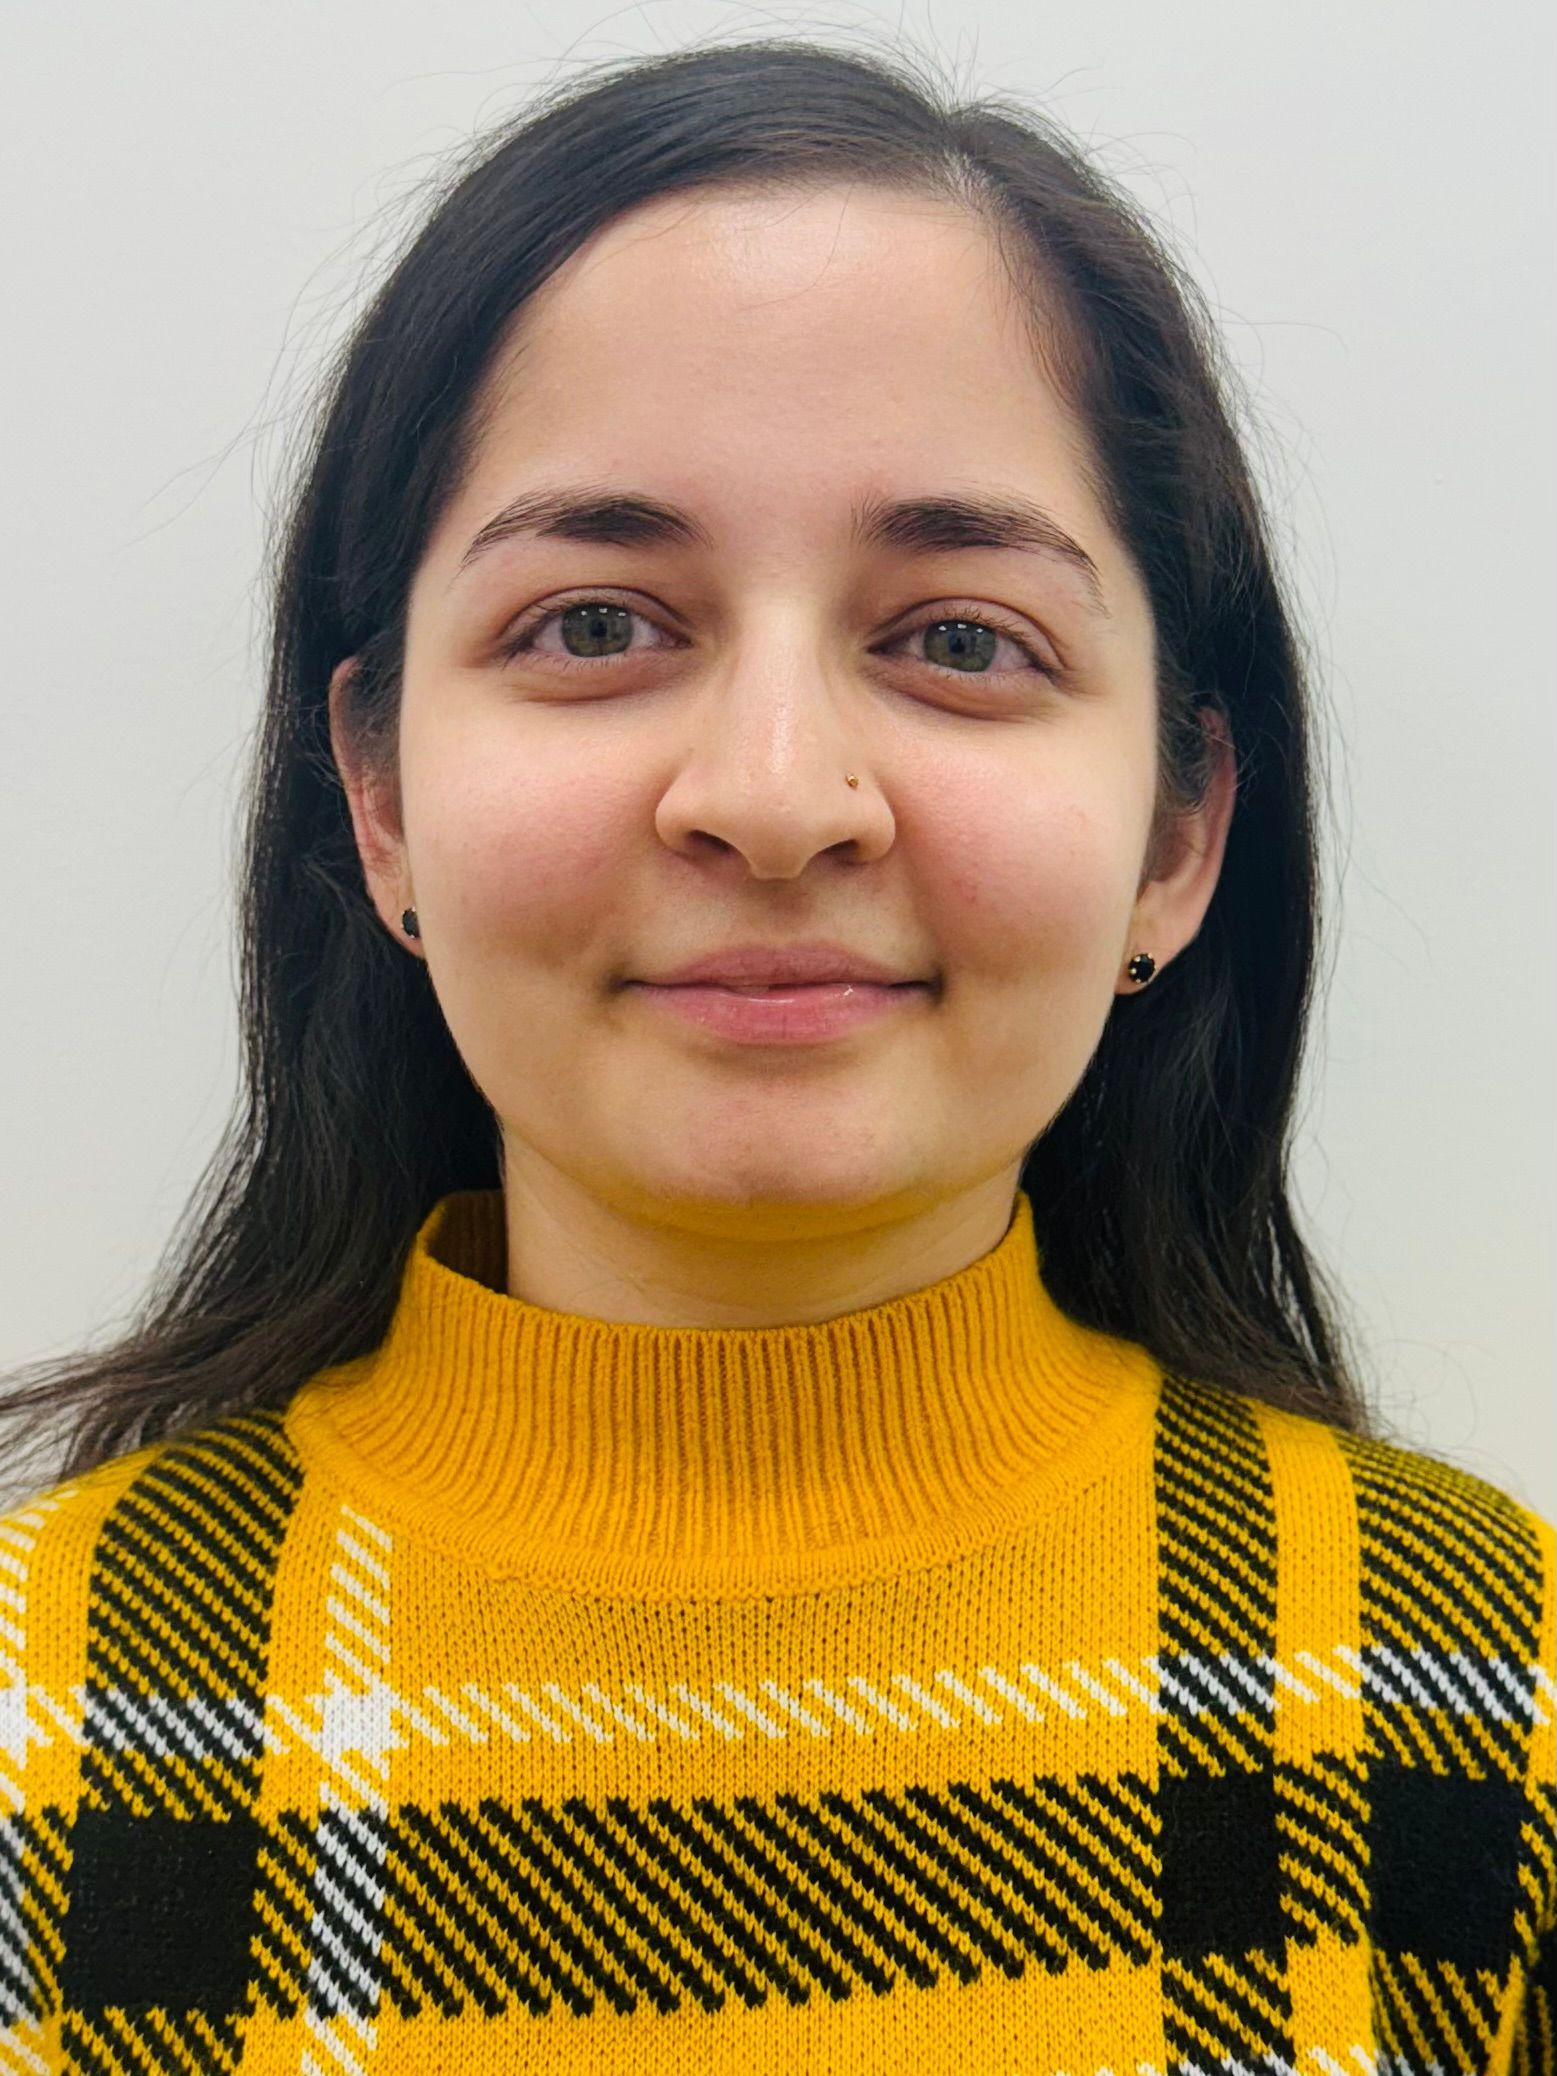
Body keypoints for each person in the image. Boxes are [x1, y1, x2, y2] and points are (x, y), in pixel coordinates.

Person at [0, 36, 1550, 2075]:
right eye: (594, 623)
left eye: (960, 639)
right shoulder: (48, 1717)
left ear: (1177, 832)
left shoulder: (1472, 1695)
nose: (774, 794)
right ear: (377, 797)